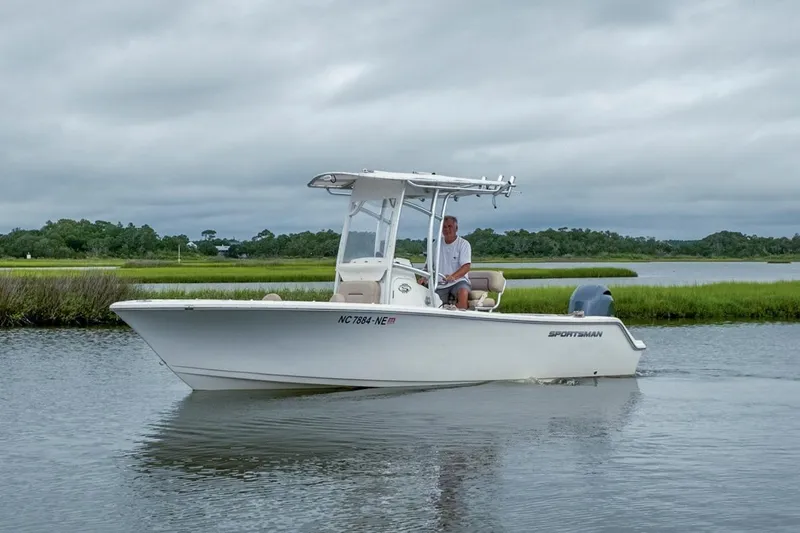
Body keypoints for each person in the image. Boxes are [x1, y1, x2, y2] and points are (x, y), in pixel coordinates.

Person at [418, 215, 472, 309]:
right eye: (444, 227)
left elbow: (466, 266)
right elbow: (428, 266)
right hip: (440, 284)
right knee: (430, 304)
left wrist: (453, 276)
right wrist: (423, 278)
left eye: (450, 226)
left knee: (463, 292)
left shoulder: (464, 244)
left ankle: (460, 315)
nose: (447, 229)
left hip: (458, 281)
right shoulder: (435, 244)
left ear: (456, 228)